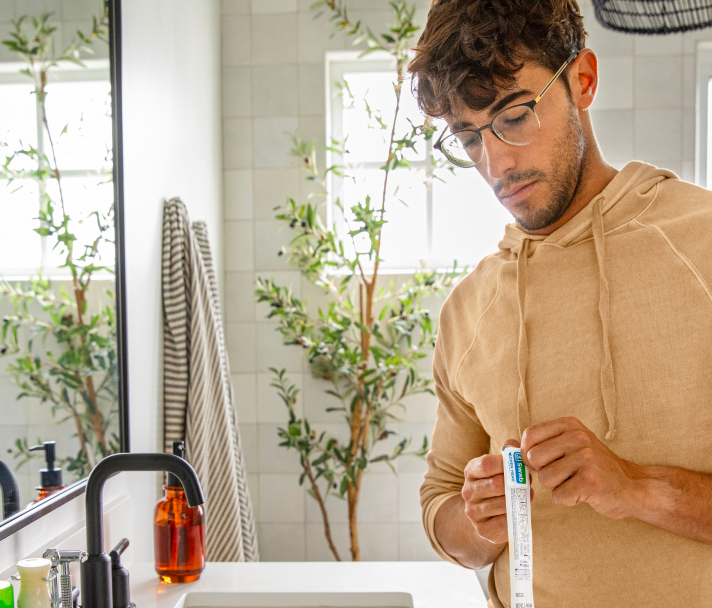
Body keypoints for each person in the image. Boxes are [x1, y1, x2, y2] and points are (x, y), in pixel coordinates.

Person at [407, 1, 712, 607]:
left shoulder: (701, 244)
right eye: (469, 138)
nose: (497, 165)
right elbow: (442, 510)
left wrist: (637, 488)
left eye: (515, 116)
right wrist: (477, 521)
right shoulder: (468, 308)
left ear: (583, 80)